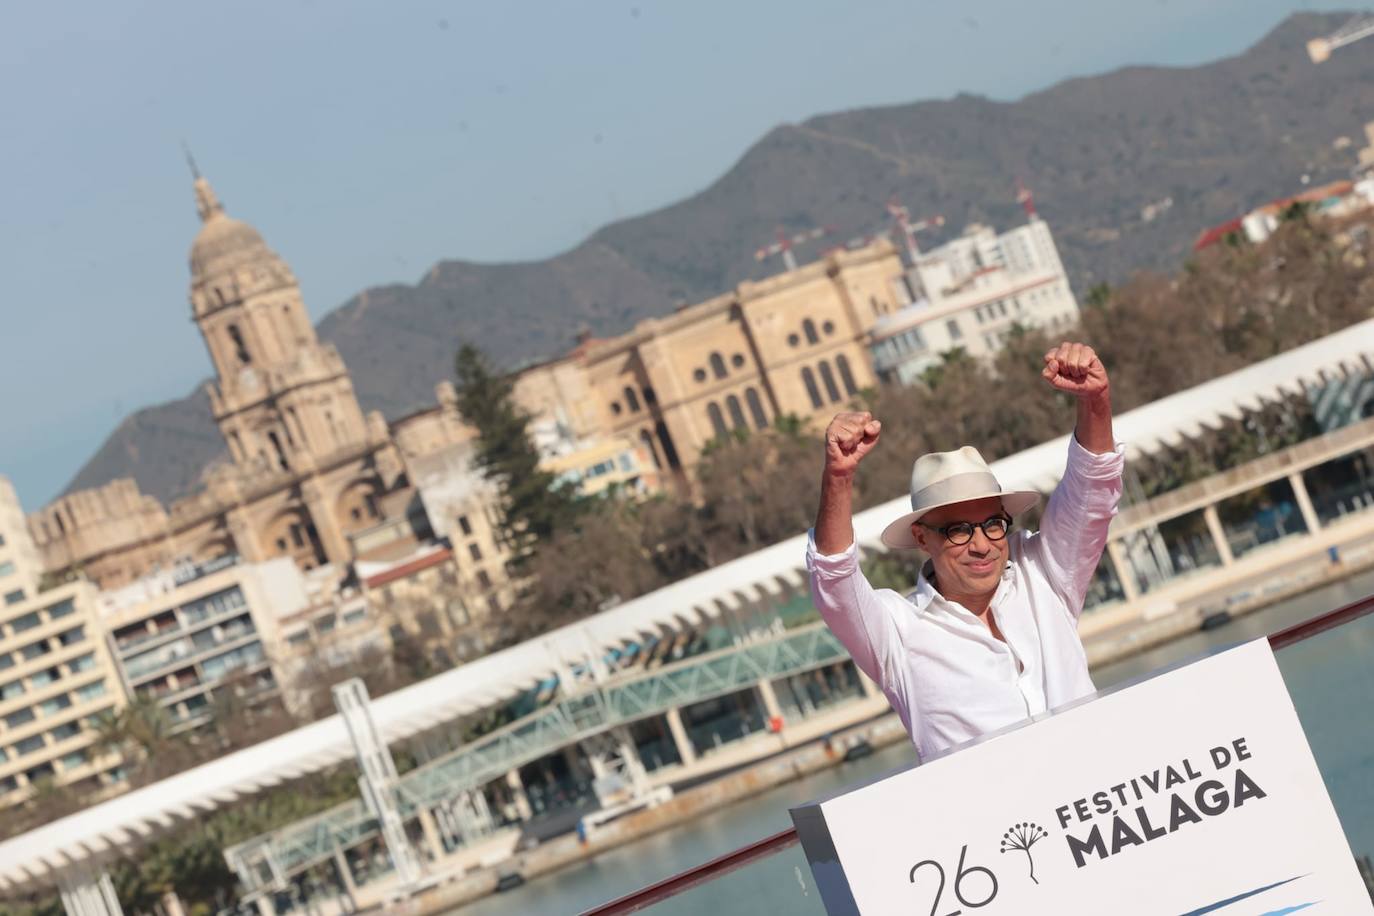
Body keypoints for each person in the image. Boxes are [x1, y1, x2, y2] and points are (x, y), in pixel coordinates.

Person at [807, 341, 1123, 760]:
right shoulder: (896, 631)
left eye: (993, 525)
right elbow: (833, 579)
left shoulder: (1044, 575)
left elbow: (1092, 493)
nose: (982, 545)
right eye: (958, 531)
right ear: (922, 538)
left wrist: (1095, 399)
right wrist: (838, 477)